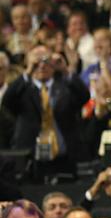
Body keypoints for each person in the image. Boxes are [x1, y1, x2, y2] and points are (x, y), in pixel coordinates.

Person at [1, 45, 90, 174]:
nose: (42, 66)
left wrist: (65, 70)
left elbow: (84, 96)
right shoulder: (23, 89)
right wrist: (28, 71)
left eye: (46, 61)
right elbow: (7, 101)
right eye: (37, 62)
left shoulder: (65, 86)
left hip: (65, 157)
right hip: (30, 159)